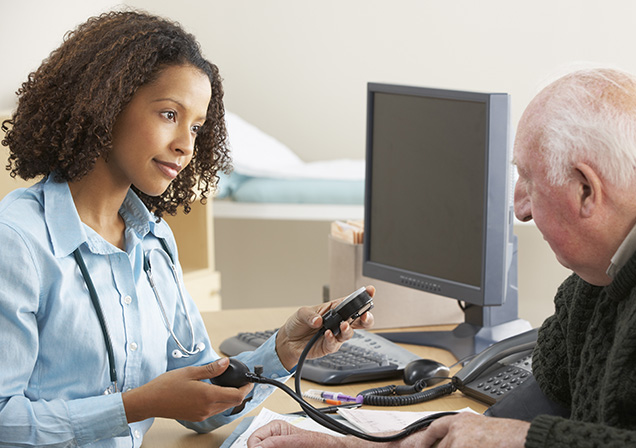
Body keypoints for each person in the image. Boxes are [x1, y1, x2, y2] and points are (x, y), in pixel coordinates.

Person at [246, 68, 636, 447]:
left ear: (587, 189)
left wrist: (525, 441)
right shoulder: (604, 268)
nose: (518, 208)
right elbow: (540, 399)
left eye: (527, 180)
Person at [0, 10, 374, 448]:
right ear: (106, 103)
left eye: (196, 127)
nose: (186, 144)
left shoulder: (153, 239)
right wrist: (137, 406)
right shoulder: (18, 242)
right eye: (168, 115)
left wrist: (283, 351)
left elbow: (201, 397)